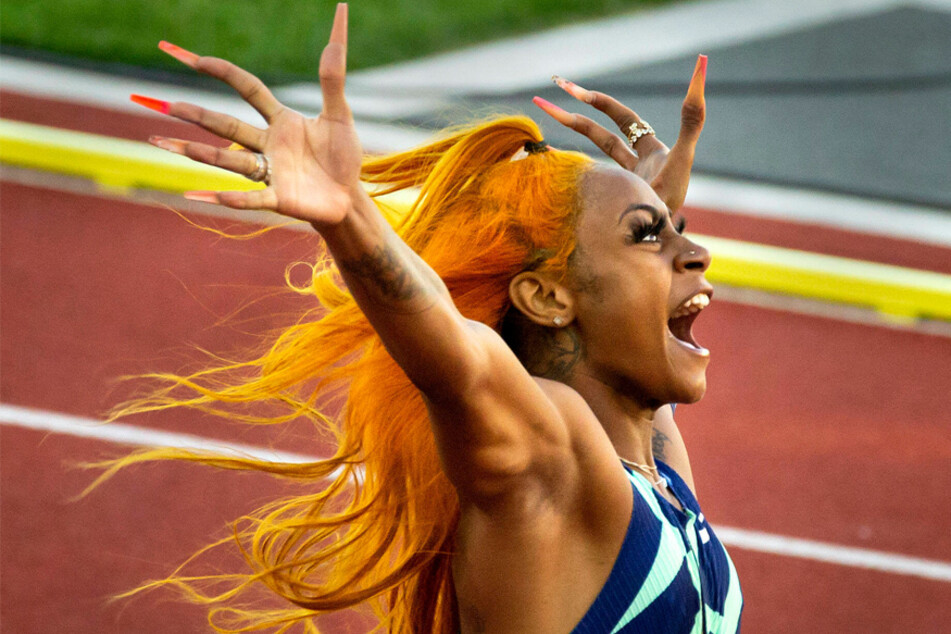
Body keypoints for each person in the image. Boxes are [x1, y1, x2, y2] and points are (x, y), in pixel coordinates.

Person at [110, 4, 742, 632]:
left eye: (675, 235)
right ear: (546, 299)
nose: (698, 253)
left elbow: (631, 360)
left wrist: (652, 210)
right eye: (648, 238)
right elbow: (463, 367)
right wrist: (348, 214)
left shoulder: (657, 480)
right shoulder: (551, 465)